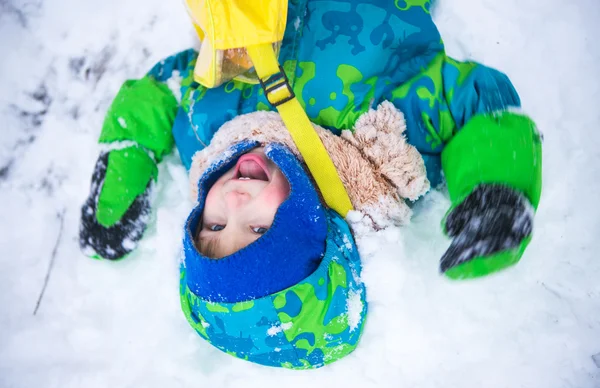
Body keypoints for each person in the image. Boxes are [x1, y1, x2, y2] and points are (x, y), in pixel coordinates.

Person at [79, 0, 542, 368]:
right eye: (257, 229)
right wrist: (498, 190)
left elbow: (163, 88)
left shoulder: (210, 126)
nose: (236, 201)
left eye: (215, 225)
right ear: (318, 224)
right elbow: (478, 102)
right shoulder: (386, 138)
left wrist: (122, 174)